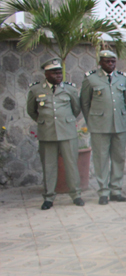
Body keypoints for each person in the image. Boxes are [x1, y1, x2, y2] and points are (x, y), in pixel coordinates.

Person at [26, 58, 84, 209]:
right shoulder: (36, 90)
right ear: (46, 73)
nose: (58, 75)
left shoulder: (70, 89)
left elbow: (76, 109)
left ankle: (76, 195)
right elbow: (31, 111)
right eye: (54, 72)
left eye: (60, 72)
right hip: (47, 133)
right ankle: (49, 197)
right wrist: (44, 121)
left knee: (71, 164)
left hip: (67, 132)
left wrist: (66, 121)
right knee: (49, 165)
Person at [80, 49, 126, 205]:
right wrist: (92, 121)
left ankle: (116, 190)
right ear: (100, 62)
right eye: (107, 61)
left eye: (113, 61)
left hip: (119, 125)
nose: (110, 64)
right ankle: (103, 191)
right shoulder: (91, 79)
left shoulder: (122, 78)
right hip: (99, 125)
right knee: (101, 159)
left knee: (118, 158)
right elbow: (85, 102)